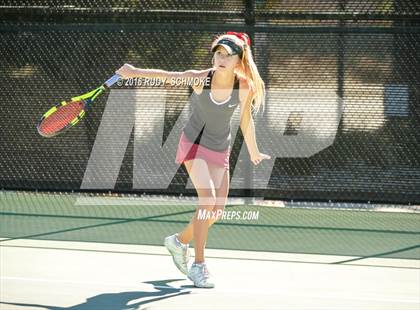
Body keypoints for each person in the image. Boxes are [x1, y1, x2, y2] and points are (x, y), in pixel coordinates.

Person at [116, 32, 270, 288]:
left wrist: (253, 150)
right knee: (207, 200)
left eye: (227, 55)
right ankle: (199, 266)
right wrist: (134, 71)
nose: (220, 58)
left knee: (216, 212)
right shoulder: (201, 79)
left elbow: (245, 119)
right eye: (218, 53)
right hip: (193, 145)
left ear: (238, 61)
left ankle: (178, 241)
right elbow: (167, 76)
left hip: (220, 150)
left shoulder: (244, 86)